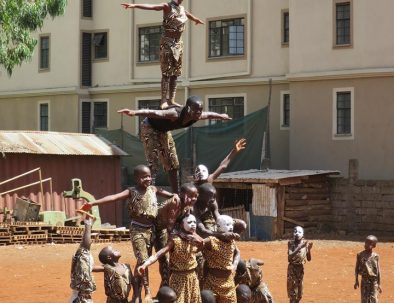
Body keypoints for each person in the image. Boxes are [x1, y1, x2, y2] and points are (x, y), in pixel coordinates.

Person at [80, 165, 177, 303]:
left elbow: (167, 194)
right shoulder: (131, 191)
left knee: (157, 260)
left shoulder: (153, 189)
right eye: (144, 177)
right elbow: (113, 197)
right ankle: (147, 292)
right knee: (143, 261)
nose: (148, 179)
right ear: (136, 178)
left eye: (149, 176)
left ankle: (159, 288)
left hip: (152, 229)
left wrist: (175, 195)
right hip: (138, 230)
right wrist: (93, 203)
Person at [118, 95, 231, 193]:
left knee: (172, 163)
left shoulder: (197, 115)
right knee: (153, 160)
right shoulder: (174, 113)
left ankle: (176, 193)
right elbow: (153, 112)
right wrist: (134, 112)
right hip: (149, 127)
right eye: (196, 111)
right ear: (188, 108)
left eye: (200, 111)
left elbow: (209, 114)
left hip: (163, 131)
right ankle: (149, 190)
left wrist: (221, 116)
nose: (199, 114)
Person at [121, 1, 204, 109]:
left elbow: (188, 14)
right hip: (167, 42)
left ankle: (172, 99)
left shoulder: (182, 9)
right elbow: (153, 7)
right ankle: (163, 100)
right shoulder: (167, 6)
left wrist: (196, 20)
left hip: (178, 44)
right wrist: (135, 5)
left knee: (175, 73)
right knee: (166, 72)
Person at [138, 213, 203, 303]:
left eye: (195, 222)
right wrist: (145, 264)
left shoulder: (195, 240)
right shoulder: (175, 240)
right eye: (189, 222)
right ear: (181, 225)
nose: (193, 224)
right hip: (178, 279)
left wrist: (198, 240)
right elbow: (159, 254)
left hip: (193, 278)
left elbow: (201, 246)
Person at [154, 182, 198, 287]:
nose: (194, 199)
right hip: (156, 229)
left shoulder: (188, 208)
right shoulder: (175, 202)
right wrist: (182, 236)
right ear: (182, 195)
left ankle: (167, 286)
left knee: (174, 258)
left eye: (196, 196)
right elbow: (170, 227)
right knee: (164, 258)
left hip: (168, 230)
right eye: (191, 196)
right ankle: (164, 287)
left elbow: (184, 226)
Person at [202, 215, 240, 303]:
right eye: (227, 224)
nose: (230, 227)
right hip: (213, 283)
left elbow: (237, 252)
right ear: (218, 226)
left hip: (229, 283)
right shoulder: (211, 240)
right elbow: (199, 245)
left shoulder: (231, 241)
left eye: (231, 225)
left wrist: (235, 265)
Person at [69, 212, 102, 303]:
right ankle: (88, 223)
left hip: (80, 293)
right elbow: (92, 268)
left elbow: (91, 268)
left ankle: (88, 223)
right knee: (84, 249)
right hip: (81, 295)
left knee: (83, 249)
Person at [287, 226, 312, 303]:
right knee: (292, 293)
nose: (297, 234)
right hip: (292, 269)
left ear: (303, 235)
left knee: (299, 293)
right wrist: (300, 247)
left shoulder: (305, 244)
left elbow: (309, 259)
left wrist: (309, 250)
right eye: (295, 232)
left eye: (299, 232)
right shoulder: (291, 243)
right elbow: (289, 257)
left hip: (300, 269)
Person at [354, 235, 382, 303]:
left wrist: (379, 284)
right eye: (366, 242)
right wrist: (356, 281)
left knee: (374, 299)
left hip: (374, 281)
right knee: (364, 299)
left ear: (374, 245)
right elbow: (356, 268)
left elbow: (378, 271)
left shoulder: (376, 256)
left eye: (369, 243)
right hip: (364, 280)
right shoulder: (360, 255)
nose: (366, 244)